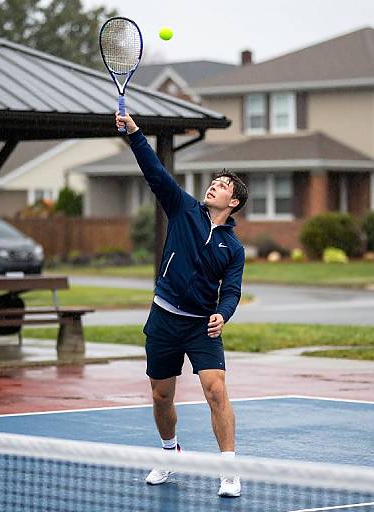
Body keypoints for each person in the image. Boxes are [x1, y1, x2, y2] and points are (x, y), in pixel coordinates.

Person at [115, 112, 248, 498]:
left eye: (221, 186)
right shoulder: (183, 209)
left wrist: (224, 313)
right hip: (163, 319)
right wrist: (136, 134)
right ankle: (170, 452)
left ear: (233, 201)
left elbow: (232, 291)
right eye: (214, 182)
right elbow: (155, 172)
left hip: (200, 326)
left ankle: (228, 470)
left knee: (215, 390)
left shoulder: (233, 248)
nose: (213, 187)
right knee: (160, 395)